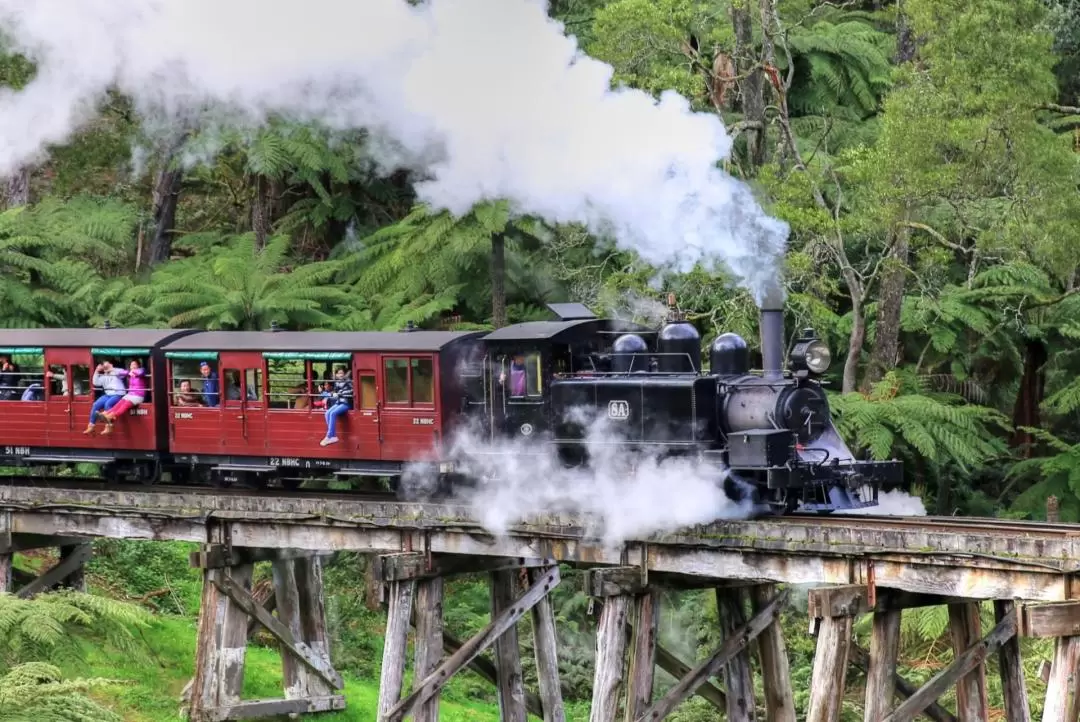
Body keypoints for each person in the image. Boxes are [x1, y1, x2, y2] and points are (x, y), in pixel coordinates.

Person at [97, 360, 148, 435]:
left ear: (138, 366)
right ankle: (106, 413)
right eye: (131, 365)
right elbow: (121, 372)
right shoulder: (129, 372)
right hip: (130, 394)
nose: (133, 366)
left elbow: (141, 373)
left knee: (125, 404)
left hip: (138, 395)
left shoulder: (141, 370)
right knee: (120, 402)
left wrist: (133, 372)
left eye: (134, 365)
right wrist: (128, 372)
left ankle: (111, 416)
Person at [81, 361, 127, 434]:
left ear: (111, 364)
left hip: (118, 394)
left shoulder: (116, 372)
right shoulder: (104, 376)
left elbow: (124, 372)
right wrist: (97, 370)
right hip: (108, 394)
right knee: (96, 404)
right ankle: (91, 426)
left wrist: (112, 369)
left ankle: (109, 427)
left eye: (106, 364)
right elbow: (95, 382)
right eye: (103, 365)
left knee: (107, 404)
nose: (104, 366)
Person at [320, 367, 352, 447]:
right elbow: (335, 393)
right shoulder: (337, 382)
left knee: (333, 413)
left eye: (342, 373)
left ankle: (329, 436)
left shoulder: (348, 381)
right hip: (338, 402)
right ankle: (333, 436)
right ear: (336, 374)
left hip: (346, 403)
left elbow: (352, 390)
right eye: (338, 373)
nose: (340, 375)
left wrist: (340, 393)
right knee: (327, 413)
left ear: (344, 374)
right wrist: (329, 393)